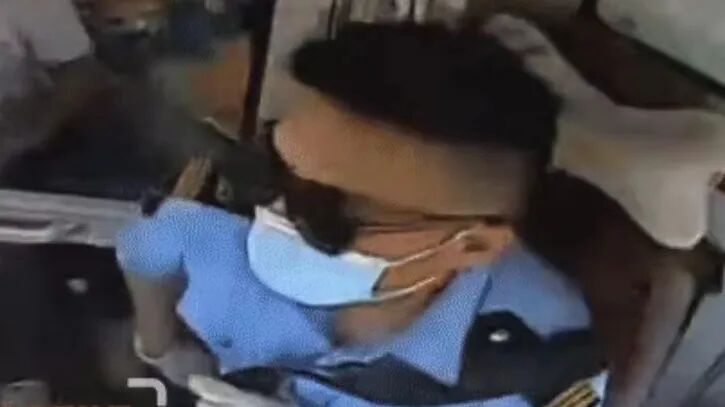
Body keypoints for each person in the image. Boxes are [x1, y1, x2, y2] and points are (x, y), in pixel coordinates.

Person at [116, 17, 612, 407]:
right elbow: (146, 249)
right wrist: (161, 348)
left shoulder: (535, 366)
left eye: (325, 210)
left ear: (473, 245)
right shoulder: (209, 222)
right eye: (272, 170)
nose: (275, 213)